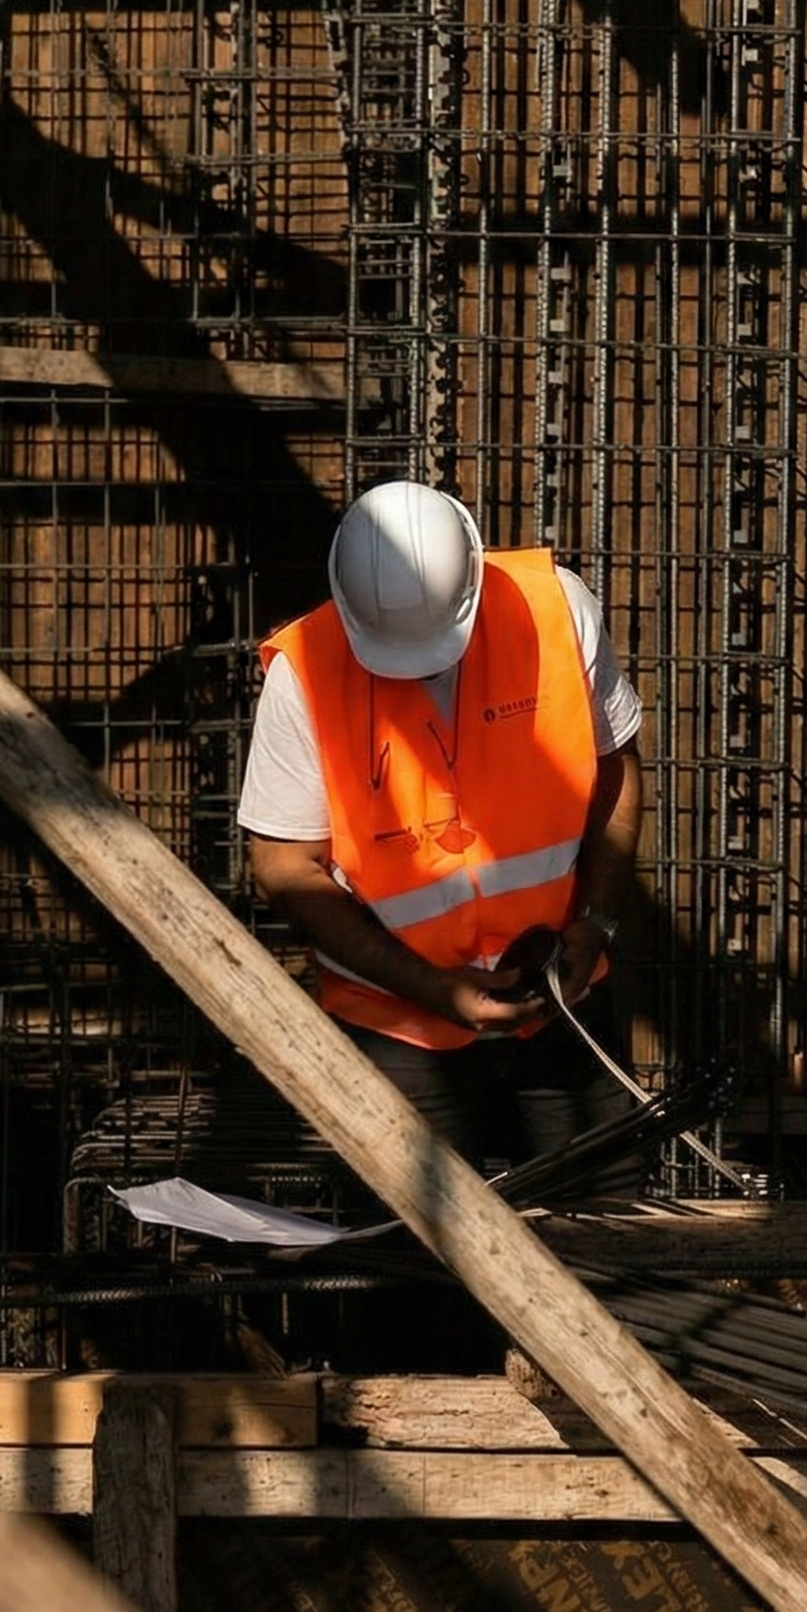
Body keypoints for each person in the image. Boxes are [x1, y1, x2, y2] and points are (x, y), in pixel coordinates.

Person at [238, 479, 644, 1173]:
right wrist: (430, 988)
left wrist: (596, 925)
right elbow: (283, 866)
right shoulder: (304, 673)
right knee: (417, 1264)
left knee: (611, 1234)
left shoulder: (556, 611)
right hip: (393, 1025)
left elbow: (616, 772)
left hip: (558, 996)